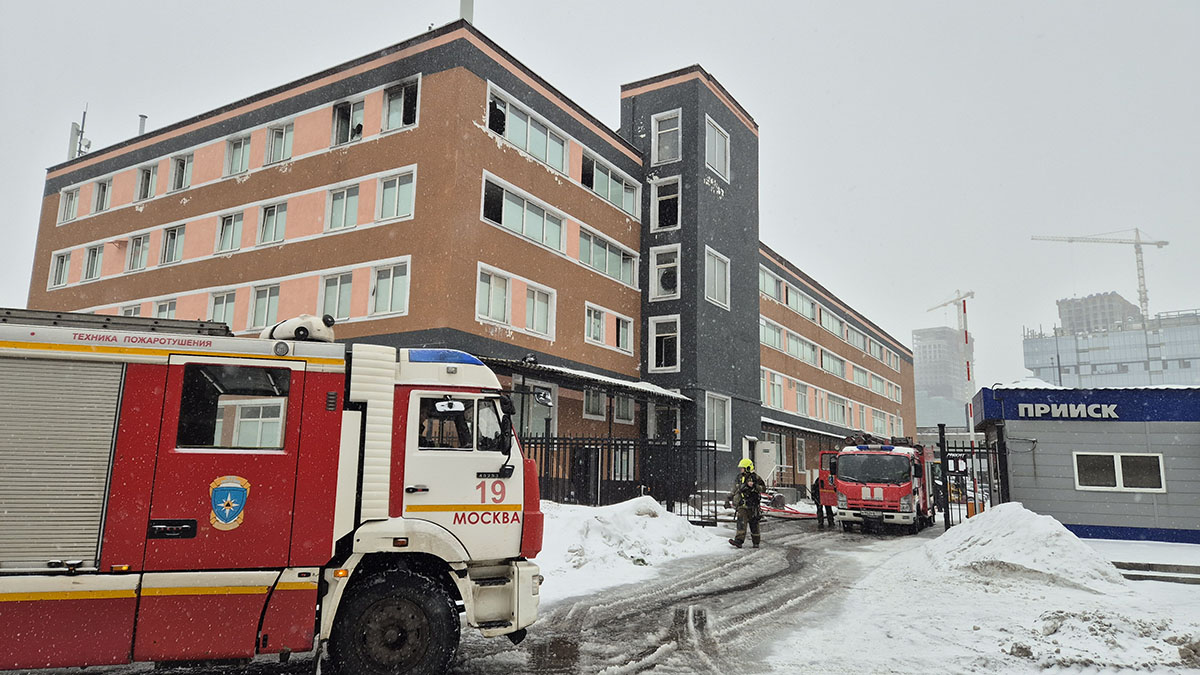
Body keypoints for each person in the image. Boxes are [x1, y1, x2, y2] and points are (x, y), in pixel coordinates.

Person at [724, 458, 765, 548]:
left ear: (747, 468)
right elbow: (734, 489)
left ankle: (756, 541)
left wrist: (754, 486)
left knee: (754, 524)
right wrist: (728, 498)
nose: (741, 469)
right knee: (741, 523)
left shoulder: (756, 478)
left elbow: (763, 488)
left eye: (742, 468)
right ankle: (739, 541)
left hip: (753, 506)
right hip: (742, 505)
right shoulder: (739, 478)